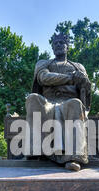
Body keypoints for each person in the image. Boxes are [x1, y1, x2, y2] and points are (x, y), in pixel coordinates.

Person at [25, 33, 92, 172]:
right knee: (32, 98)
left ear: (68, 46)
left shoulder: (79, 67)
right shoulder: (43, 63)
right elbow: (44, 78)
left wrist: (84, 82)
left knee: (76, 103)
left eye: (61, 43)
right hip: (47, 102)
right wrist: (70, 78)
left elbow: (85, 89)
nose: (58, 45)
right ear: (52, 48)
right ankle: (36, 152)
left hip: (69, 101)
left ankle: (74, 158)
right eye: (55, 44)